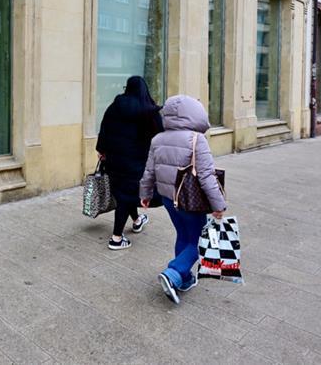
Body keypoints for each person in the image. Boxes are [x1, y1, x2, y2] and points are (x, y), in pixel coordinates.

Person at [139, 95, 226, 304]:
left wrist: (145, 194)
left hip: (169, 199)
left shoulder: (158, 139)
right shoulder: (197, 139)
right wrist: (218, 204)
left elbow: (149, 171)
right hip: (191, 201)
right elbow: (206, 176)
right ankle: (174, 273)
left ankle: (185, 279)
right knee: (198, 242)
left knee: (183, 235)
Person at [96, 76, 164, 250]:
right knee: (127, 196)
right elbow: (161, 137)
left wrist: (102, 150)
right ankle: (116, 239)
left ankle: (136, 220)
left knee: (124, 194)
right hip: (138, 163)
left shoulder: (114, 107)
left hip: (114, 161)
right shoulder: (150, 111)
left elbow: (104, 129)